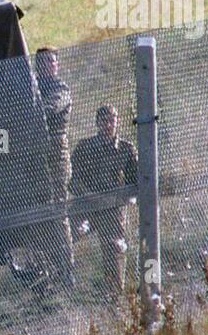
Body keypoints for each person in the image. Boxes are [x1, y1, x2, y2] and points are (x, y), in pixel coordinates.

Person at [70, 104, 138, 296]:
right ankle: (61, 289)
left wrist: (122, 199)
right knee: (65, 240)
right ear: (97, 123)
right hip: (87, 206)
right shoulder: (84, 148)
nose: (108, 125)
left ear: (117, 122)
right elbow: (71, 179)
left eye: (112, 120)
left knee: (114, 250)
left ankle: (114, 295)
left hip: (112, 209)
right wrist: (86, 194)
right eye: (104, 121)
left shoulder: (125, 149)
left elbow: (134, 182)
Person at [36, 46, 74, 288]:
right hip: (35, 157)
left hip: (55, 155)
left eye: (52, 61)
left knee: (58, 213)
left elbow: (49, 110)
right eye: (44, 61)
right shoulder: (32, 86)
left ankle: (66, 272)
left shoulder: (60, 89)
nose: (49, 65)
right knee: (41, 213)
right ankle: (48, 272)